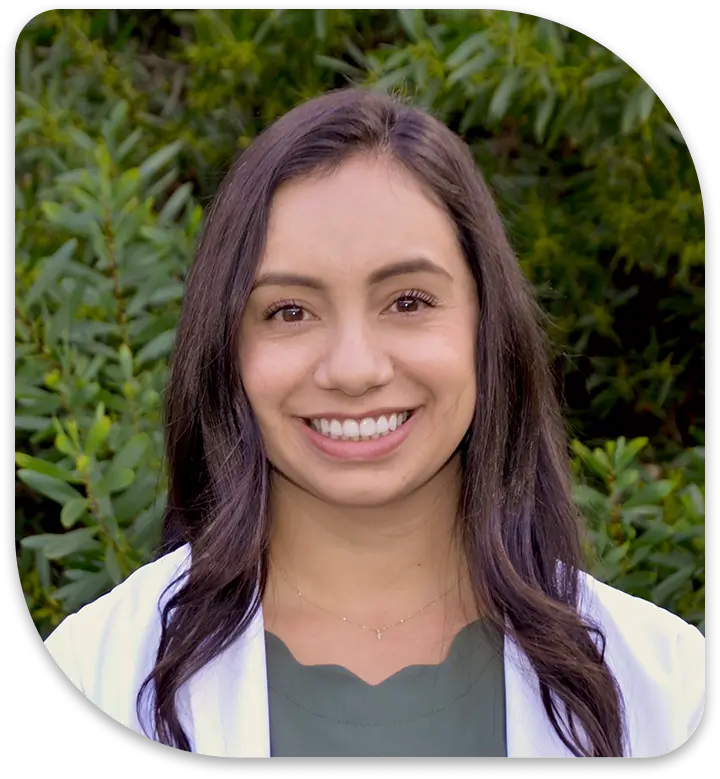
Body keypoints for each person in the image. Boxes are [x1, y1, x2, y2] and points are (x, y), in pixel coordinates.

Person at [43, 87, 705, 759]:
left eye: (409, 301)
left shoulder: (670, 688)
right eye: (290, 311)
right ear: (226, 348)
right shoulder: (91, 673)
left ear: (487, 326)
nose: (353, 369)